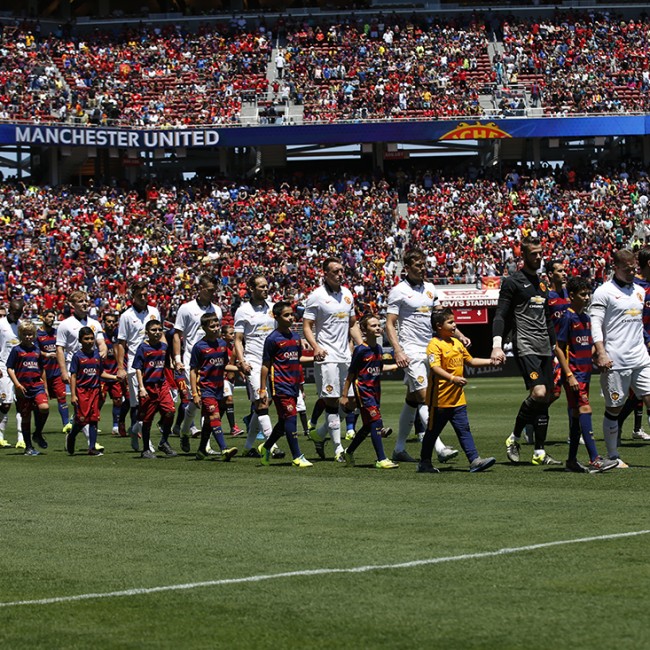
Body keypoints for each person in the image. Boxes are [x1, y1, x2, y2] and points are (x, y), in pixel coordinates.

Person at [491, 236, 562, 466]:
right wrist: (496, 345)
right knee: (539, 393)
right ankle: (514, 437)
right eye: (534, 253)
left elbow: (548, 318)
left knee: (547, 397)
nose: (539, 257)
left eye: (541, 253)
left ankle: (539, 452)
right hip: (526, 345)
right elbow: (501, 315)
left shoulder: (542, 284)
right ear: (524, 256)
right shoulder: (512, 282)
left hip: (544, 347)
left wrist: (554, 346)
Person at [384, 249, 460, 464]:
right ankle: (440, 447)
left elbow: (441, 317)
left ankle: (399, 449)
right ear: (407, 268)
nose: (422, 268)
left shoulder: (430, 288)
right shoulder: (398, 291)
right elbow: (389, 323)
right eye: (417, 265)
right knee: (426, 398)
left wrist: (458, 334)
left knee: (411, 399)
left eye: (423, 264)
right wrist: (397, 350)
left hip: (430, 349)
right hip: (411, 351)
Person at [418, 309, 497, 473]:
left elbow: (471, 361)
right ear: (439, 326)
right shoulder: (434, 344)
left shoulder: (457, 343)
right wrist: (453, 379)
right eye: (450, 322)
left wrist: (491, 361)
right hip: (439, 400)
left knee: (464, 430)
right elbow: (435, 367)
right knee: (432, 432)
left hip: (457, 398)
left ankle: (475, 460)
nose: (455, 325)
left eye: (454, 322)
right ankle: (424, 463)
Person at [591, 248, 650, 468]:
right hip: (615, 360)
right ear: (615, 267)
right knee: (614, 408)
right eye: (627, 269)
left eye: (634, 267)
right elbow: (595, 323)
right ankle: (613, 456)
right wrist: (601, 351)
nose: (632, 271)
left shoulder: (639, 291)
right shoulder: (603, 292)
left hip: (641, 358)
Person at [303, 257, 363, 462]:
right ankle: (338, 448)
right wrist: (316, 347)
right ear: (325, 274)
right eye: (335, 271)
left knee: (352, 401)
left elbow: (352, 323)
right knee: (331, 400)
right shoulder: (316, 297)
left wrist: (360, 346)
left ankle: (320, 434)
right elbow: (307, 326)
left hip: (345, 355)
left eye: (341, 270)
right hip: (326, 356)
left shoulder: (347, 294)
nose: (340, 274)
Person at [554, 278, 617, 473]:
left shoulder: (586, 319)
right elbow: (559, 348)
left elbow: (585, 348)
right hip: (575, 375)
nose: (587, 297)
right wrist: (569, 374)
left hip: (585, 373)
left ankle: (572, 461)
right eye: (583, 294)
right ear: (571, 296)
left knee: (575, 417)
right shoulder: (567, 317)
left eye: (588, 293)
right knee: (585, 410)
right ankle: (595, 459)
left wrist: (597, 359)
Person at [257, 301, 312, 468]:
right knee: (291, 418)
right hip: (280, 384)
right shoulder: (272, 339)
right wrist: (262, 389)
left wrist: (313, 358)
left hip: (293, 385)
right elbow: (266, 365)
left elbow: (298, 359)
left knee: (284, 422)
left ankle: (266, 447)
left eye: (292, 314)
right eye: (286, 315)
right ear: (276, 317)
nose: (291, 318)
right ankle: (297, 456)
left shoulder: (295, 337)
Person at [340, 314, 398, 469]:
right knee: (376, 422)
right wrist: (345, 395)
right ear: (364, 330)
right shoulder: (360, 350)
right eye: (373, 325)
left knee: (367, 426)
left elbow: (378, 369)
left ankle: (349, 451)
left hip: (375, 391)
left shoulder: (378, 348)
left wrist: (395, 366)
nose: (378, 328)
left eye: (378, 325)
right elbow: (351, 374)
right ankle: (381, 459)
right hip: (363, 391)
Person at [173, 274, 223, 454]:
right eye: (209, 290)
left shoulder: (217, 310)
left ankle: (191, 435)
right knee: (198, 401)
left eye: (214, 290)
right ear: (200, 289)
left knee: (204, 403)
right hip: (192, 361)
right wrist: (178, 359)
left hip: (212, 362)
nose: (212, 293)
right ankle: (194, 437)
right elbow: (178, 335)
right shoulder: (186, 309)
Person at [233, 274, 280, 457]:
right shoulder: (243, 310)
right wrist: (242, 360)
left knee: (264, 402)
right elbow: (238, 339)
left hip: (271, 361)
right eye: (261, 286)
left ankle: (247, 447)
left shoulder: (272, 308)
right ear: (251, 289)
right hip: (253, 360)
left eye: (266, 286)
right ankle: (271, 446)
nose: (265, 289)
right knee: (261, 402)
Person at [56, 290, 106, 452]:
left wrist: (103, 350)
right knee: (82, 413)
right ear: (72, 305)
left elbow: (101, 342)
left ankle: (89, 443)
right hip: (76, 372)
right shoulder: (65, 324)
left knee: (92, 411)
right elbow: (60, 349)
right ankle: (86, 441)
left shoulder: (94, 323)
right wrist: (63, 371)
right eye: (80, 301)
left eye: (86, 300)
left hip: (92, 371)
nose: (85, 303)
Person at [116, 280, 161, 451]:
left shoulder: (154, 311)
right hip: (136, 364)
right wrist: (120, 367)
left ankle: (136, 430)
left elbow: (160, 335)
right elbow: (121, 342)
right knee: (139, 403)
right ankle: (145, 440)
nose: (143, 298)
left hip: (155, 362)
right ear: (132, 296)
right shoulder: (127, 316)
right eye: (140, 295)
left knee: (157, 402)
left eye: (145, 294)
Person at [189, 313, 238, 462]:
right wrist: (195, 393)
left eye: (217, 325)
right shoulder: (199, 347)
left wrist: (240, 368)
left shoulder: (222, 345)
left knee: (210, 421)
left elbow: (225, 365)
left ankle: (201, 450)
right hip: (206, 388)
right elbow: (193, 370)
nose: (216, 328)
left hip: (219, 387)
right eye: (212, 326)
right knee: (214, 417)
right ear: (204, 328)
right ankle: (224, 449)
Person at [615, 246, 650, 441]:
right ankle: (615, 422)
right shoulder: (635, 288)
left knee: (640, 393)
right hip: (638, 347)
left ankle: (619, 423)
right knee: (634, 393)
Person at [132, 319, 177, 459]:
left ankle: (163, 442)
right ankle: (145, 449)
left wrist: (177, 366)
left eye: (159, 330)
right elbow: (138, 369)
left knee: (170, 411)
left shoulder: (163, 347)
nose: (157, 333)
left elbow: (166, 364)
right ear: (147, 333)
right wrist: (141, 388)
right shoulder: (143, 348)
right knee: (147, 419)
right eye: (153, 330)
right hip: (148, 386)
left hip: (161, 385)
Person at [66, 327, 111, 457]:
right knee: (82, 420)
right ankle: (72, 436)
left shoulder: (97, 355)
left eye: (91, 338)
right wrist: (73, 394)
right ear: (80, 340)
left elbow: (101, 373)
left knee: (93, 419)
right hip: (82, 391)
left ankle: (92, 447)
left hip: (95, 391)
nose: (90, 341)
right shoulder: (77, 356)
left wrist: (114, 377)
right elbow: (73, 376)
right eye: (86, 339)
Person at [6, 321, 49, 456]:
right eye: (25, 334)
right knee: (26, 417)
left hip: (37, 385)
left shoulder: (37, 350)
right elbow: (10, 368)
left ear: (34, 335)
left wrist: (45, 387)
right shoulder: (16, 350)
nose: (28, 337)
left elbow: (42, 369)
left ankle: (37, 433)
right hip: (23, 388)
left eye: (30, 334)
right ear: (20, 335)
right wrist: (17, 384)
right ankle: (28, 447)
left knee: (44, 408)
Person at [37, 308, 70, 433]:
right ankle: (38, 429)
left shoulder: (57, 333)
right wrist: (46, 354)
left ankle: (66, 424)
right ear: (43, 318)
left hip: (56, 372)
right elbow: (34, 351)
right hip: (42, 373)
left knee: (62, 398)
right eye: (49, 316)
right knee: (42, 402)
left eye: (53, 317)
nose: (52, 319)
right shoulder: (37, 335)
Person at [0, 299, 25, 449]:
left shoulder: (22, 326)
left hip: (19, 368)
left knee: (21, 403)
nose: (17, 314)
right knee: (6, 404)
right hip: (3, 367)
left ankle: (21, 438)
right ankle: (1, 436)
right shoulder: (1, 324)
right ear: (9, 310)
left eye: (20, 312)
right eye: (15, 312)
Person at [101, 311, 128, 437]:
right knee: (99, 400)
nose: (111, 324)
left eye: (113, 321)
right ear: (104, 322)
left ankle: (115, 425)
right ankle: (91, 422)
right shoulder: (100, 336)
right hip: (102, 374)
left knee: (118, 400)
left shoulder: (119, 335)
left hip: (115, 372)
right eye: (108, 321)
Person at [220, 324, 243, 437]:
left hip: (231, 379)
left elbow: (236, 362)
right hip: (222, 378)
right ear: (223, 335)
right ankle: (234, 427)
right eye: (231, 333)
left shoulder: (233, 347)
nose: (233, 335)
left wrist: (242, 373)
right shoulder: (221, 347)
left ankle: (214, 424)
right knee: (229, 399)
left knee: (224, 404)